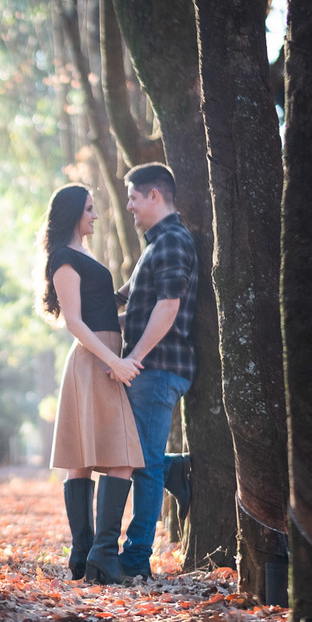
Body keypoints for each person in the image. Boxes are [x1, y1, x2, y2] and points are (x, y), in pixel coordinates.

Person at [40, 184, 144, 584]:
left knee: (85, 460)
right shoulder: (64, 258)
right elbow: (74, 322)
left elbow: (100, 310)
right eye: (88, 209)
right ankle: (98, 553)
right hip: (94, 362)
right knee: (119, 457)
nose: (95, 216)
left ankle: (85, 557)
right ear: (72, 214)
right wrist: (114, 361)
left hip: (103, 357)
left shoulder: (81, 255)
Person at [113, 163, 198, 579]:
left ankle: (135, 561)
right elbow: (130, 302)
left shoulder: (173, 242)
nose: (129, 206)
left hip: (158, 367)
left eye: (133, 197)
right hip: (152, 368)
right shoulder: (156, 245)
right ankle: (174, 467)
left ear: (154, 195)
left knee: (144, 464)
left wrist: (135, 358)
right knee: (137, 456)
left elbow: (168, 307)